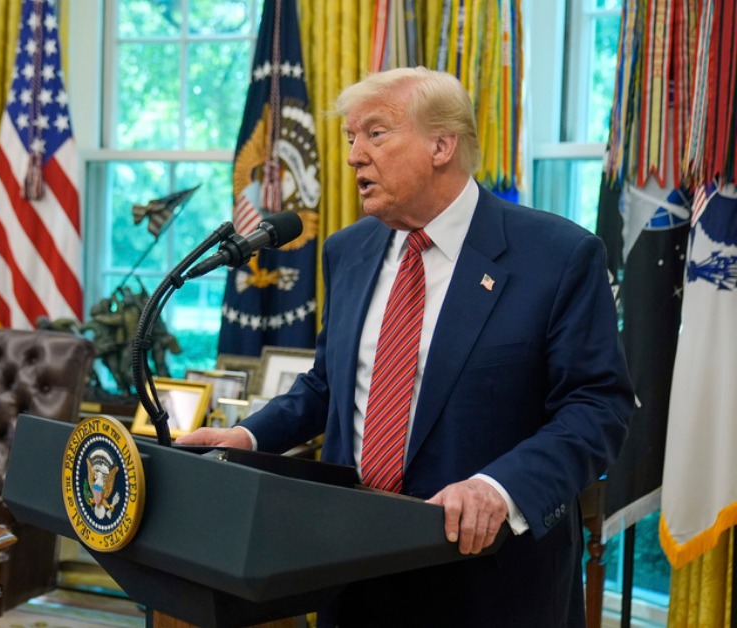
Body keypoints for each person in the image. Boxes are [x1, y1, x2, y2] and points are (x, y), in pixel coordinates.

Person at [178, 67, 633, 627]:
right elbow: (327, 385)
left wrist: (500, 488)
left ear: (442, 145)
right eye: (350, 138)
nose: (353, 157)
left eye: (375, 133)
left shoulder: (557, 255)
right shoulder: (347, 251)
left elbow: (597, 408)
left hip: (488, 579)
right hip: (350, 568)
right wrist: (247, 437)